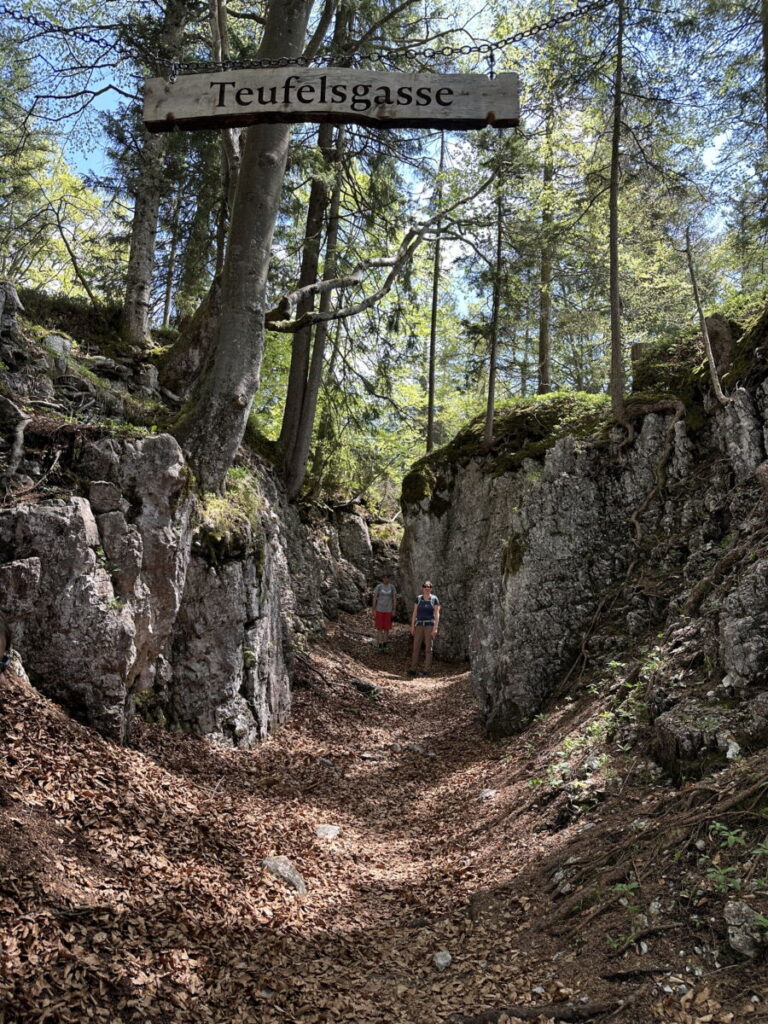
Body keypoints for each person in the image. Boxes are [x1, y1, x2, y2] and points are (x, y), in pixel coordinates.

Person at [408, 581, 440, 676]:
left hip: (429, 625)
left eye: (429, 586)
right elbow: (415, 612)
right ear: (422, 588)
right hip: (419, 625)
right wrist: (412, 626)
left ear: (431, 588)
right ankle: (413, 669)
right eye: (425, 586)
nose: (427, 588)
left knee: (428, 648)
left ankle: (427, 670)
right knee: (416, 647)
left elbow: (437, 613)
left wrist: (435, 627)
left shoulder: (434, 599)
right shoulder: (418, 598)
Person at [371, 572, 397, 652]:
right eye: (384, 577)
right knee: (379, 628)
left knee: (386, 629)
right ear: (382, 579)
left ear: (389, 579)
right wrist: (373, 609)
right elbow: (375, 598)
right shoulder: (379, 587)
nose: (386, 579)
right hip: (379, 610)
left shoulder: (392, 587)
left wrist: (394, 609)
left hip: (388, 611)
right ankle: (379, 646)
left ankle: (385, 646)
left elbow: (394, 599)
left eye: (387, 577)